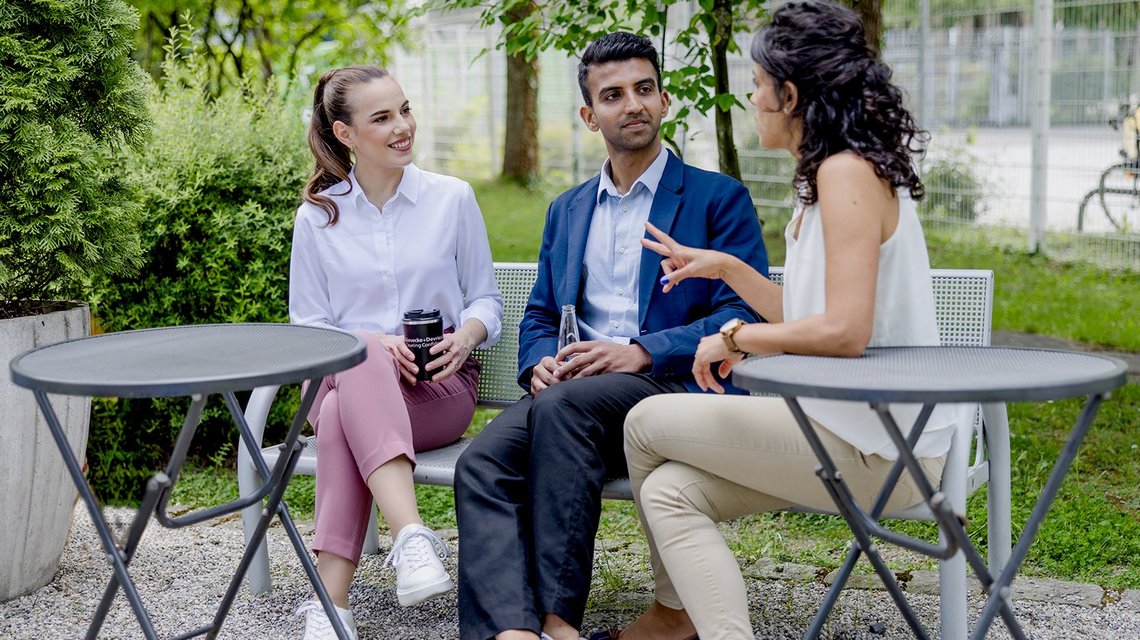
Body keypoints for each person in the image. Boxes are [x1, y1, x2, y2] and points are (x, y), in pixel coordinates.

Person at [614, 2, 967, 639]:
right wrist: (730, 271)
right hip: (845, 424)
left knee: (644, 421)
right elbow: (816, 317)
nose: (750, 98)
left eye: (756, 84)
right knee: (670, 491)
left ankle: (671, 618)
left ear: (790, 93)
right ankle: (697, 625)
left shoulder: (846, 173)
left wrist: (732, 336)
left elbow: (844, 333)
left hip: (878, 442)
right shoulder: (829, 173)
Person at [453, 32, 770, 640]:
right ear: (588, 114)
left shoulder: (716, 199)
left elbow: (743, 316)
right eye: (614, 94)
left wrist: (642, 350)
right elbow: (541, 314)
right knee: (483, 464)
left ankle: (557, 623)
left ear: (665, 100)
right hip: (573, 398)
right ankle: (512, 631)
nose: (633, 105)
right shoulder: (568, 209)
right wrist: (540, 365)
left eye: (645, 89)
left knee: (564, 410)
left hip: (674, 388)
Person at [289, 65, 503, 640]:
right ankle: (412, 537)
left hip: (437, 391)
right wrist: (376, 344)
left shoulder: (451, 199)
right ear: (345, 134)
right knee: (356, 358)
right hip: (343, 380)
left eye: (404, 110)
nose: (403, 126)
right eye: (382, 118)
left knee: (338, 417)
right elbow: (307, 329)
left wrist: (467, 336)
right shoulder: (317, 218)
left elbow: (485, 297)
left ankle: (330, 606)